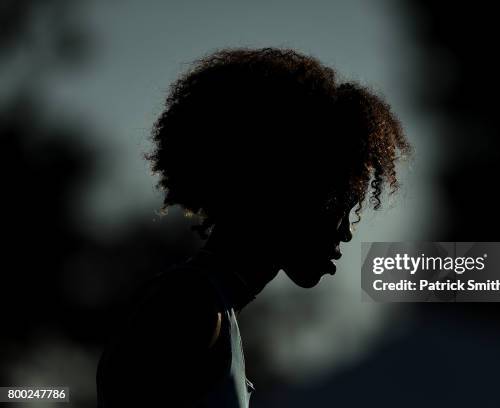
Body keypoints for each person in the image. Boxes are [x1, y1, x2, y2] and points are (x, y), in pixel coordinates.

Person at [96, 47, 410, 407]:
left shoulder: (208, 308)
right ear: (287, 190)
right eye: (339, 207)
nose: (346, 232)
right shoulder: (189, 309)